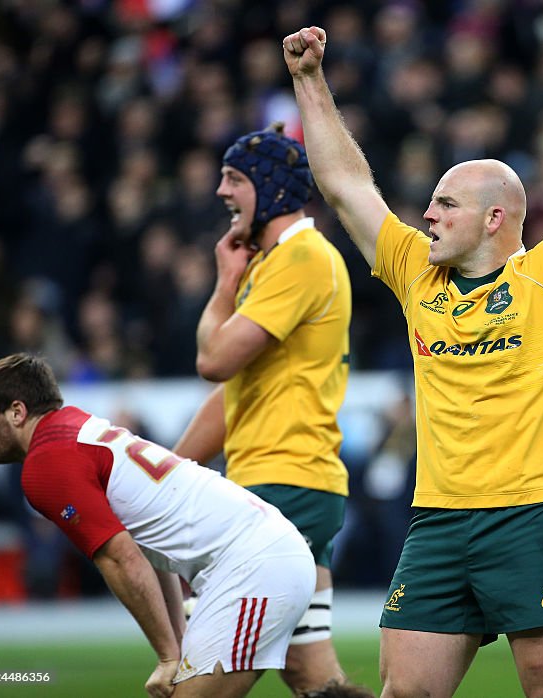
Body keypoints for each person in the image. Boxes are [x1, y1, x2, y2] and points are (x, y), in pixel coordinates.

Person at [284, 10, 543, 697]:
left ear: (494, 218)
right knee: (405, 694)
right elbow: (345, 186)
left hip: (531, 514)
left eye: (444, 204)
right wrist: (309, 81)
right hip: (437, 522)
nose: (426, 216)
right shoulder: (414, 272)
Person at [0, 353, 316, 698]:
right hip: (262, 556)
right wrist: (176, 644)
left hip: (254, 567)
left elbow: (121, 558)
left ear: (17, 412)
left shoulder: (46, 464)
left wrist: (168, 656)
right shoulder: (74, 428)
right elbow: (149, 549)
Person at [173, 122, 353, 695]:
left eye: (233, 178)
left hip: (280, 488)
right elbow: (237, 392)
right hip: (294, 483)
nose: (222, 191)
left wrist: (226, 284)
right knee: (310, 673)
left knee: (208, 671)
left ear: (270, 186)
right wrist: (172, 471)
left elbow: (215, 361)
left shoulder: (301, 258)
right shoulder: (280, 262)